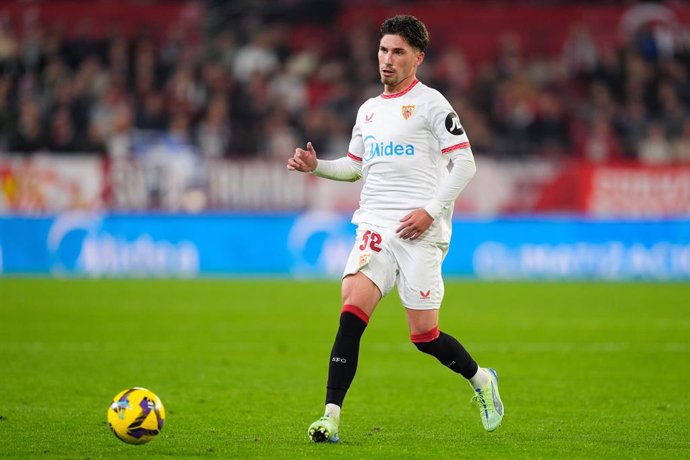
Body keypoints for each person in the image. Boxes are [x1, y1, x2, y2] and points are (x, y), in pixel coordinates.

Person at [287, 15, 504, 443]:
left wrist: (430, 210)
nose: (387, 60)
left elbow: (465, 163)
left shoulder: (432, 104)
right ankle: (330, 417)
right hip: (375, 224)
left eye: (398, 52)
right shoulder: (368, 109)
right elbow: (354, 167)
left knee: (424, 336)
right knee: (352, 311)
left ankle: (481, 379)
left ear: (417, 58)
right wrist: (317, 168)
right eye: (384, 50)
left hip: (421, 230)